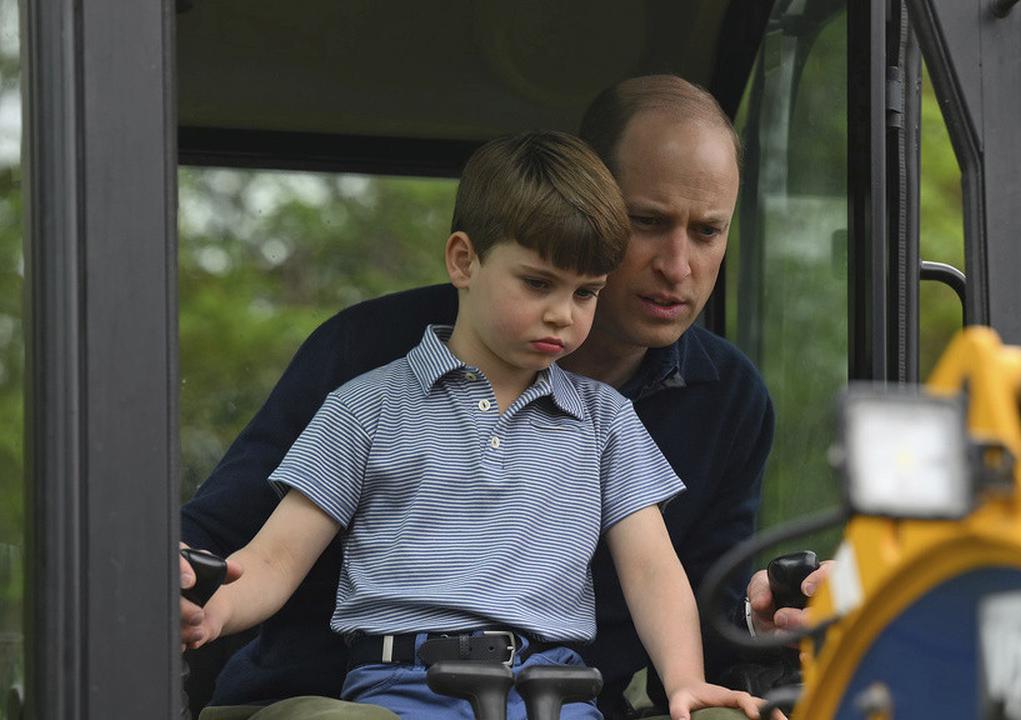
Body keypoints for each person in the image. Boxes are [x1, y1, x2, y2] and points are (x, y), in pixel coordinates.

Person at [182, 75, 794, 719]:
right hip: (372, 692)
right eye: (647, 222)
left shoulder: (642, 415)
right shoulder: (366, 380)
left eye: (707, 232)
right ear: (465, 262)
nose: (678, 265)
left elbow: (670, 580)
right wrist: (204, 596)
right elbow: (253, 549)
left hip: (560, 696)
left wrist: (739, 644)